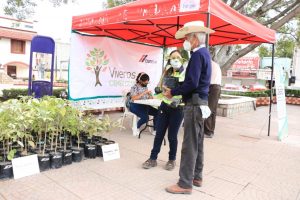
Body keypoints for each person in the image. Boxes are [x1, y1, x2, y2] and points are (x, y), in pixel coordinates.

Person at [163, 20, 214, 194]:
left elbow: (192, 82)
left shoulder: (198, 55)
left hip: (194, 103)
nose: (184, 40)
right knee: (198, 142)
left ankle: (185, 184)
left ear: (194, 38)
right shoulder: (205, 54)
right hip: (201, 102)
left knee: (189, 144)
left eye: (186, 37)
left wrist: (173, 91)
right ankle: (197, 176)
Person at [142, 50, 185, 171]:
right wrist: (159, 89)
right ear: (169, 60)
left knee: (172, 136)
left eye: (177, 57)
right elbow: (160, 90)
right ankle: (152, 158)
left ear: (181, 60)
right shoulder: (167, 72)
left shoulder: (185, 73)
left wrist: (176, 95)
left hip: (178, 108)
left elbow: (186, 90)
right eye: (173, 58)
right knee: (159, 134)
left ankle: (172, 160)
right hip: (164, 106)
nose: (175, 60)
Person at [204, 60, 222, 138]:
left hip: (213, 87)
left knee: (209, 109)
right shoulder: (215, 64)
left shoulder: (208, 64)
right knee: (212, 110)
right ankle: (210, 130)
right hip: (216, 87)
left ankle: (208, 131)